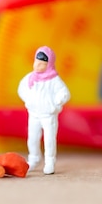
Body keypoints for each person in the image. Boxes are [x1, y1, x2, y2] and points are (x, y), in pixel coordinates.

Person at [17, 46, 70, 175]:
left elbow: (65, 94)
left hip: (48, 115)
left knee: (49, 139)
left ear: (49, 64)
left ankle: (49, 161)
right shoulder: (30, 78)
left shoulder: (54, 80)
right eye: (36, 62)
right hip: (34, 113)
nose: (37, 66)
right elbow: (21, 89)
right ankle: (34, 158)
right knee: (32, 138)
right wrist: (28, 100)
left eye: (41, 64)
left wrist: (54, 104)